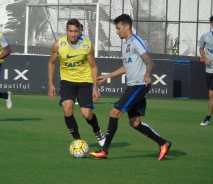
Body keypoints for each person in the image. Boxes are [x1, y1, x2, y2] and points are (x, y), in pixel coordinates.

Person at [89, 14, 171, 161]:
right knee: (134, 123)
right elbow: (126, 67)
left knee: (114, 112)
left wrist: (147, 74)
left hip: (139, 85)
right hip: (132, 86)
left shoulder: (136, 42)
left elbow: (149, 61)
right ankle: (163, 143)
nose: (117, 31)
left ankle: (104, 150)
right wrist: (108, 76)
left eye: (118, 28)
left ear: (127, 27)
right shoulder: (126, 44)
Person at [48, 18, 105, 146]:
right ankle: (78, 140)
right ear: (66, 31)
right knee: (67, 109)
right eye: (70, 31)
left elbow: (94, 66)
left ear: (79, 31)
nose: (73, 34)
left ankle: (97, 131)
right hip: (67, 81)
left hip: (85, 81)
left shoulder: (87, 45)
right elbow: (51, 63)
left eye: (75, 31)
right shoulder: (58, 45)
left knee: (86, 114)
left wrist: (95, 87)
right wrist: (50, 83)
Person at [199, 16, 213, 126]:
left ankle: (207, 118)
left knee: (211, 94)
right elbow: (201, 49)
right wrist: (204, 58)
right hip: (209, 70)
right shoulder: (206, 36)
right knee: (211, 95)